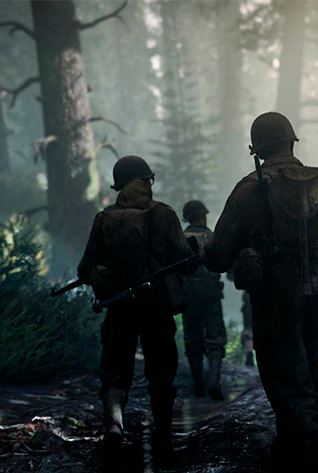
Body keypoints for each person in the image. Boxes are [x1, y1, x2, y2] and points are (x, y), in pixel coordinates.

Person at [203, 111, 318, 473]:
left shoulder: (249, 188)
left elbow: (219, 254)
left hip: (275, 294)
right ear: (291, 141)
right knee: (305, 367)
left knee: (284, 373)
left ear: (257, 149)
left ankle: (314, 453)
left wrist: (208, 251)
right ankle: (293, 447)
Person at [77, 155, 194, 471]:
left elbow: (85, 269)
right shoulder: (164, 215)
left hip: (119, 305)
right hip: (156, 306)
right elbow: (185, 260)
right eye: (148, 179)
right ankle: (164, 441)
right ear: (143, 181)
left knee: (115, 372)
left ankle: (114, 425)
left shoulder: (105, 219)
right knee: (161, 374)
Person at [181, 200, 226, 400]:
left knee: (193, 340)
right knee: (215, 338)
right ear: (203, 216)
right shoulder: (212, 237)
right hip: (211, 293)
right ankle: (214, 382)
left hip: (188, 294)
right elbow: (223, 262)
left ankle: (198, 384)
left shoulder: (180, 238)